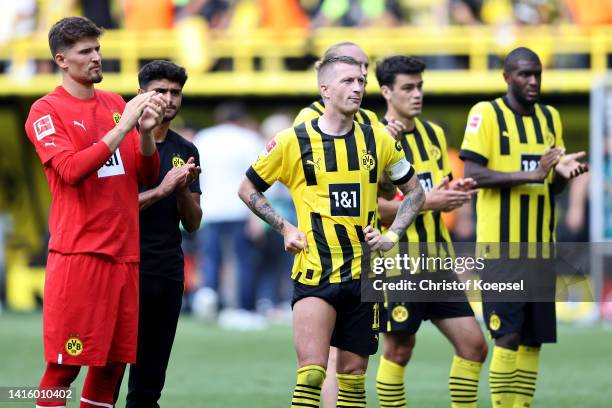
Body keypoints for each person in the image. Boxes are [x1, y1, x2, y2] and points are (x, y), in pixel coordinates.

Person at [238, 55, 425, 408]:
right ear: (324, 89)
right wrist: (284, 227)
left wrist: (392, 235)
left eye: (360, 81)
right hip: (315, 270)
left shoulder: (379, 140)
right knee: (311, 374)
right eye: (347, 81)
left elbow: (415, 192)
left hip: (363, 275)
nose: (357, 88)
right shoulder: (292, 140)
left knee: (353, 381)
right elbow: (248, 188)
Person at [25, 16, 166, 408]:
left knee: (112, 367)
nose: (96, 58)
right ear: (61, 60)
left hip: (125, 257)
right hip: (80, 256)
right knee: (64, 368)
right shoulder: (45, 111)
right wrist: (124, 128)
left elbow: (145, 172)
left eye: (98, 49)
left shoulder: (115, 104)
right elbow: (71, 171)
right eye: (85, 51)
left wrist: (146, 133)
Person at [459, 47, 588, 408]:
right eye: (524, 74)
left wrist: (562, 176)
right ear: (506, 77)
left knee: (533, 339)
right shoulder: (486, 114)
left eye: (537, 74)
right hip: (501, 249)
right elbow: (473, 174)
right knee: (507, 334)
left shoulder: (550, 117)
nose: (532, 81)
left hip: (541, 248)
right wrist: (533, 173)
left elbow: (551, 182)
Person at [293, 40, 406, 407]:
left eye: (364, 72)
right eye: (352, 71)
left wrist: (391, 155)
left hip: (364, 260)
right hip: (320, 255)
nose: (360, 81)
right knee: (318, 362)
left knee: (355, 367)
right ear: (327, 77)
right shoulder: (307, 121)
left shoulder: (372, 126)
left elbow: (384, 189)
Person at [374, 55, 487, 408]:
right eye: (408, 87)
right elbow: (370, 207)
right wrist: (430, 202)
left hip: (438, 260)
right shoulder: (371, 138)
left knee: (474, 346)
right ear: (386, 92)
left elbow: (434, 189)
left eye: (420, 86)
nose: (417, 94)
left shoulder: (434, 134)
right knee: (399, 348)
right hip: (396, 263)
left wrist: (454, 194)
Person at [126, 60, 202, 408]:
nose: (169, 99)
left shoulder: (185, 150)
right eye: (160, 91)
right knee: (108, 372)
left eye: (176, 92)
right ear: (141, 94)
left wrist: (183, 190)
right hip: (123, 267)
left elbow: (193, 222)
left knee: (150, 380)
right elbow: (112, 211)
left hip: (166, 269)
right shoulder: (121, 142)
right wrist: (162, 189)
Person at [193, 102, 263, 322]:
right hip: (240, 208)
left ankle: (209, 305)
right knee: (242, 261)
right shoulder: (249, 139)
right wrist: (257, 218)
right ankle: (243, 309)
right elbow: (257, 180)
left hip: (210, 209)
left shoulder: (204, 137)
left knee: (210, 259)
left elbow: (196, 174)